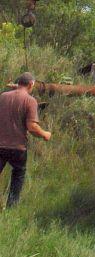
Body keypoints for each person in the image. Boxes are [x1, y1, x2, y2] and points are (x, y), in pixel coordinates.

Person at [0, 72, 51, 208]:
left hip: (0, 145)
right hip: (18, 148)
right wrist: (45, 134)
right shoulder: (30, 100)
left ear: (18, 83)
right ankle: (11, 207)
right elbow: (32, 127)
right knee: (18, 175)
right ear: (31, 84)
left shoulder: (3, 96)